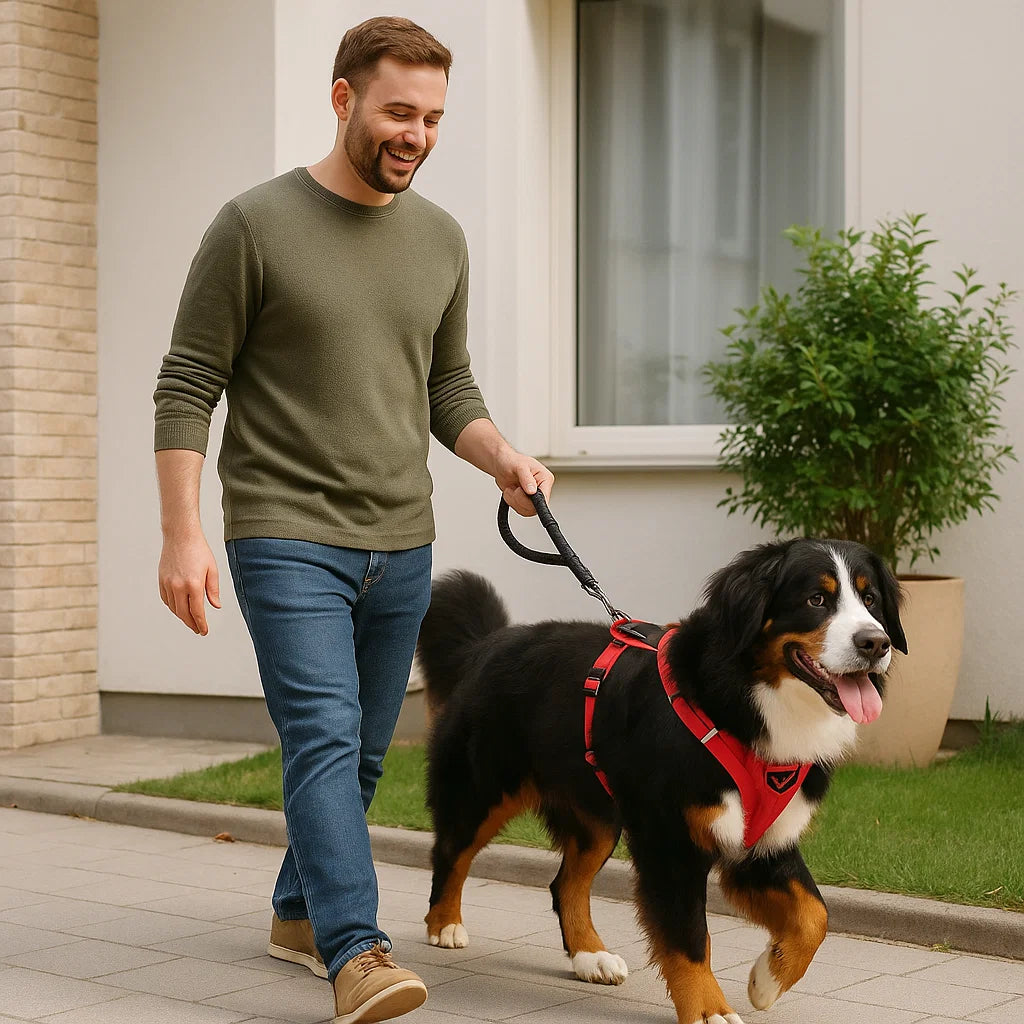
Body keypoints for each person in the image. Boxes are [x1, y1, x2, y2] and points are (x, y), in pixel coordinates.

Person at [153, 16, 553, 1024]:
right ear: (344, 100)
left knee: (366, 748)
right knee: (323, 734)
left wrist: (501, 454)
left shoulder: (439, 238)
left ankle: (298, 907)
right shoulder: (253, 226)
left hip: (401, 540)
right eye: (397, 112)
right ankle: (356, 948)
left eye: (432, 117)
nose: (415, 133)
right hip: (285, 532)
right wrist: (183, 531)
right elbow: (187, 382)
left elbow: (445, 385)